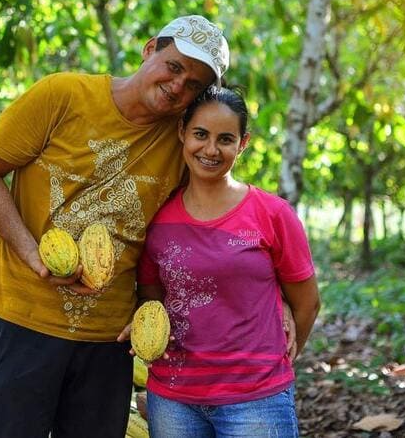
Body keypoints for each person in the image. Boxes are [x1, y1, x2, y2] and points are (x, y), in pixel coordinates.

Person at [0, 15, 230, 437]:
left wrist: (276, 298)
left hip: (109, 338)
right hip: (26, 318)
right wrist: (31, 252)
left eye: (193, 84)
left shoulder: (184, 140)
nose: (178, 86)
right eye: (174, 67)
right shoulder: (62, 95)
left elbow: (196, 227)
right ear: (150, 49)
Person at [123, 86, 320, 437]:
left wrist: (281, 359)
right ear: (182, 132)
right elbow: (152, 301)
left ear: (242, 143)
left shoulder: (271, 214)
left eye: (225, 139)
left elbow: (307, 302)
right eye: (200, 134)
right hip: (173, 398)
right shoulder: (158, 219)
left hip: (256, 399)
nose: (211, 150)